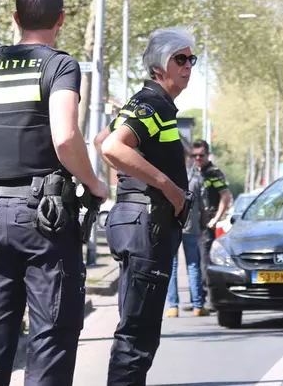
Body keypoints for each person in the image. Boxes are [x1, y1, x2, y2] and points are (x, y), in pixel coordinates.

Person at [0, 0, 108, 386]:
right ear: (61, 19)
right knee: (51, 335)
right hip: (44, 218)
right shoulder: (59, 65)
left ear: (16, 17)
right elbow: (65, 137)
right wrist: (96, 183)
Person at [95, 27, 196, 386]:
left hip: (135, 220)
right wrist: (168, 188)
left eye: (191, 59)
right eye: (179, 59)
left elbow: (101, 138)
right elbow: (111, 148)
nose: (187, 66)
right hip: (147, 225)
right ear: (159, 65)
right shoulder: (152, 103)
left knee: (136, 328)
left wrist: (132, 180)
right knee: (137, 335)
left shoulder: (150, 103)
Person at [189, 140, 231, 303]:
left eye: (201, 155)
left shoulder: (214, 172)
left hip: (207, 224)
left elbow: (225, 195)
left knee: (205, 262)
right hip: (192, 224)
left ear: (208, 154)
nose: (198, 158)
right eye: (195, 155)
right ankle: (198, 299)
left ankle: (210, 298)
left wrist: (215, 219)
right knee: (195, 263)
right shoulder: (192, 171)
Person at [165, 159, 208, 317]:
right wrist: (203, 225)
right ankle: (197, 305)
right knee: (193, 264)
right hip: (191, 226)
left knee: (172, 265)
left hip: (172, 224)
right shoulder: (196, 179)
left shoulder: (167, 178)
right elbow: (203, 205)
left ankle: (173, 306)